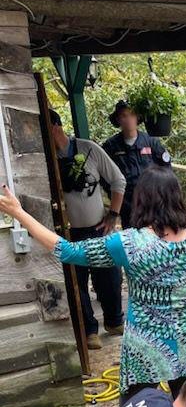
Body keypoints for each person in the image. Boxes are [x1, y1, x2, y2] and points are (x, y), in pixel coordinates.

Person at [0, 167, 186, 398]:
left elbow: (67, 251)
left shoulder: (131, 243)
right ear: (177, 198)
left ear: (142, 199)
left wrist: (19, 213)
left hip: (146, 345)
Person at [50, 109, 126, 350]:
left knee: (110, 277)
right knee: (77, 283)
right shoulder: (44, 158)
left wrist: (113, 214)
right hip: (69, 233)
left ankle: (114, 322)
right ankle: (89, 331)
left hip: (98, 228)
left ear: (55, 126)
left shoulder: (88, 149)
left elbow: (118, 180)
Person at [102, 99, 171, 227]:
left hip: (153, 203)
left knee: (157, 236)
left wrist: (162, 195)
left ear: (138, 117)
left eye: (132, 114)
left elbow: (167, 169)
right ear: (118, 119)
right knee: (133, 240)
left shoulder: (151, 142)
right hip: (128, 205)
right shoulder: (111, 146)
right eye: (124, 115)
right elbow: (104, 175)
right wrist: (117, 198)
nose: (129, 119)